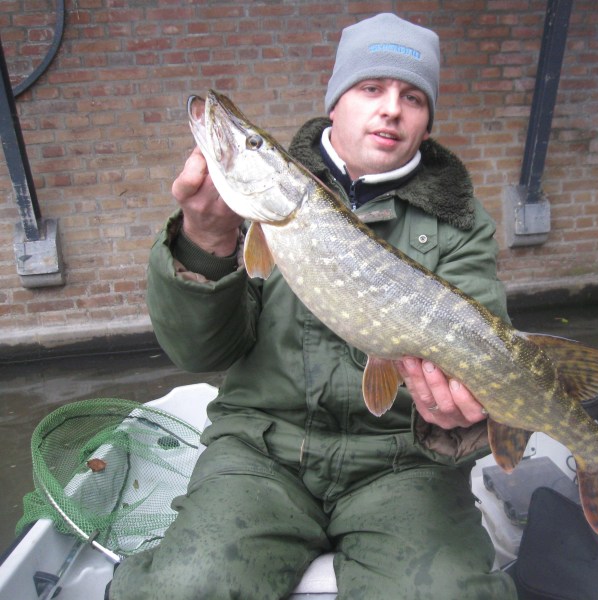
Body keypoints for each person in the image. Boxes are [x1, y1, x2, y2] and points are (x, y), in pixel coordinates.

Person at [110, 13, 516, 600]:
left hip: (403, 463)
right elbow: (200, 353)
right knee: (184, 587)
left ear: (426, 123)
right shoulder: (254, 206)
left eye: (412, 97)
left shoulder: (461, 223)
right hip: (261, 453)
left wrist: (463, 419)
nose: (391, 109)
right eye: (371, 87)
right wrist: (204, 241)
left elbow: (482, 358)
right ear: (335, 103)